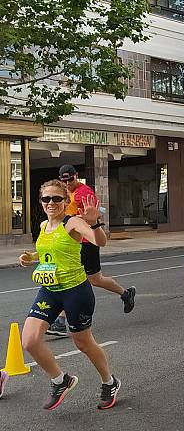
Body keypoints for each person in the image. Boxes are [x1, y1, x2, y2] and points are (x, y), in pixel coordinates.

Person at [19, 179, 120, 410]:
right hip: (50, 291)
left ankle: (109, 382)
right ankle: (60, 380)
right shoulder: (45, 226)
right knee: (30, 341)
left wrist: (94, 223)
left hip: (75, 292)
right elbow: (49, 250)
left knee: (84, 343)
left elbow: (99, 241)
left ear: (66, 201)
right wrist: (31, 257)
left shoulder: (72, 222)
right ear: (41, 202)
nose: (51, 203)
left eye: (57, 198)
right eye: (46, 199)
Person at [47, 165, 136, 337]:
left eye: (70, 180)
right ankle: (61, 320)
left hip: (87, 241)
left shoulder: (84, 193)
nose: (67, 183)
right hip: (72, 241)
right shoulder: (64, 193)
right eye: (63, 180)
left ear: (76, 176)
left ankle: (125, 293)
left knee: (93, 279)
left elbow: (91, 216)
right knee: (79, 277)